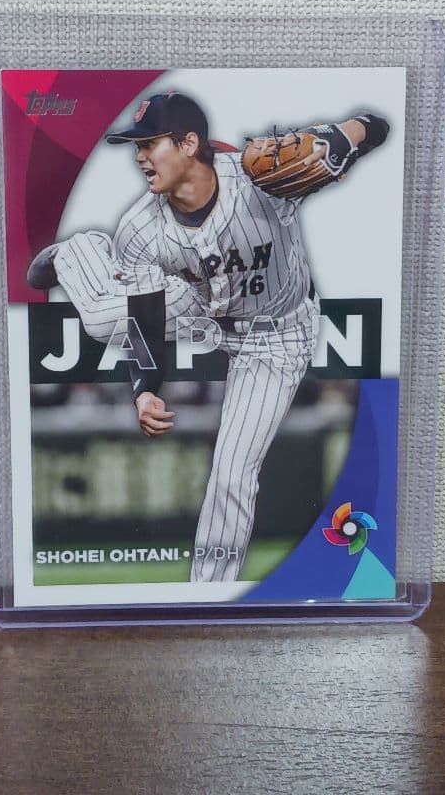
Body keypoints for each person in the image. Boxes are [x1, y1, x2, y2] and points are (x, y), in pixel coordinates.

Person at [28, 91, 389, 583]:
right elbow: (145, 319)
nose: (139, 157)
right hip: (200, 310)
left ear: (188, 143)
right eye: (136, 147)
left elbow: (361, 133)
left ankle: (207, 593)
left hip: (276, 336)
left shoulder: (260, 182)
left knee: (233, 472)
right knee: (98, 318)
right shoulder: (140, 229)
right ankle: (81, 253)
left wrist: (363, 127)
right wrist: (146, 390)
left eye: (150, 144)